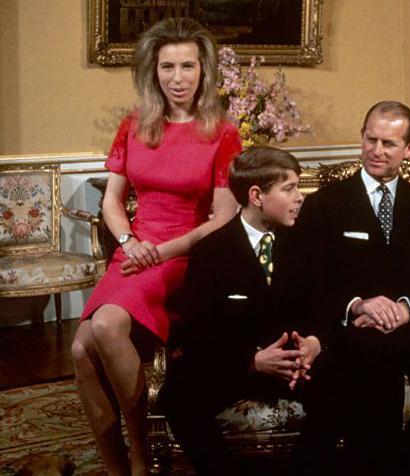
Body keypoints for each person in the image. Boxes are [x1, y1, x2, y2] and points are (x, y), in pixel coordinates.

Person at [70, 18, 241, 475]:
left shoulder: (222, 133)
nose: (178, 78)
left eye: (188, 66)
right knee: (80, 349)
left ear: (204, 71)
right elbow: (111, 199)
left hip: (184, 255)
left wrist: (162, 251)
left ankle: (141, 454)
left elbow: (223, 218)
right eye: (168, 67)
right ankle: (115, 466)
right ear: (154, 71)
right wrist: (129, 240)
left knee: (104, 326)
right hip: (136, 249)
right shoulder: (134, 125)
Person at [294, 101, 410, 475]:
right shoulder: (325, 205)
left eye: (389, 144)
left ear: (409, 149)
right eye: (370, 139)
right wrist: (358, 305)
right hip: (353, 330)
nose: (377, 151)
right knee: (373, 375)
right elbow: (309, 280)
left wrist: (406, 309)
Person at [160, 146, 322, 475]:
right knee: (177, 395)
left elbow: (324, 305)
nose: (300, 197)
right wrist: (251, 360)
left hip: (296, 366)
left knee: (352, 377)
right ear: (256, 195)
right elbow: (196, 334)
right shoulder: (212, 252)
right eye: (289, 189)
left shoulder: (306, 242)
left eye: (298, 187)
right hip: (237, 368)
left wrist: (315, 343)